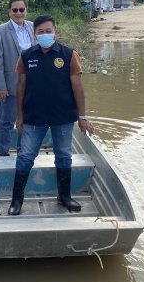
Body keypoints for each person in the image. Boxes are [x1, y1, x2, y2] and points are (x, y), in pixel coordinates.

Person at [8, 15, 94, 216]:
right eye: (40, 32)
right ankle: (16, 200)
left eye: (48, 31)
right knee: (25, 156)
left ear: (56, 32)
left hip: (62, 117)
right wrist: (19, 115)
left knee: (64, 156)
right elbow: (20, 86)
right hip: (33, 118)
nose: (45, 35)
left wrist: (82, 117)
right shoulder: (27, 56)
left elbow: (78, 87)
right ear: (34, 34)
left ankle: (64, 196)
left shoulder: (68, 55)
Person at [0, 0, 36, 156]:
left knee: (28, 120)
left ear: (26, 10)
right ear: (9, 12)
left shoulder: (33, 27)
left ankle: (22, 150)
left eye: (21, 10)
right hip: (10, 85)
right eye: (15, 10)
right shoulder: (0, 31)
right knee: (6, 122)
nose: (18, 13)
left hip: (32, 84)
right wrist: (0, 86)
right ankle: (3, 152)